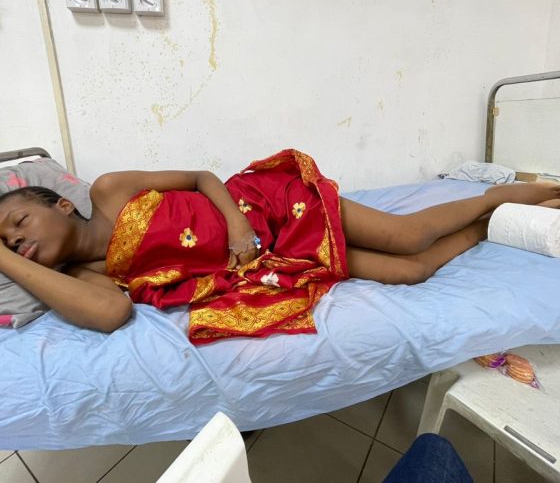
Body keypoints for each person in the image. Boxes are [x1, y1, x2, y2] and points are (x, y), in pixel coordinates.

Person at [0, 149, 558, 343]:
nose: (17, 238)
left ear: (63, 204)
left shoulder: (109, 191)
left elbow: (200, 177)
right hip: (271, 261)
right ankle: (490, 224)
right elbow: (110, 314)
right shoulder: (91, 277)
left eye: (18, 222)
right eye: (7, 242)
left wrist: (236, 227)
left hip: (265, 208)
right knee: (409, 272)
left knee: (407, 235)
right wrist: (7, 259)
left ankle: (504, 195)